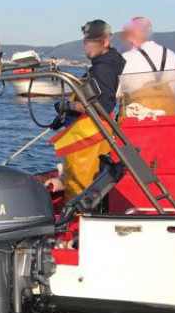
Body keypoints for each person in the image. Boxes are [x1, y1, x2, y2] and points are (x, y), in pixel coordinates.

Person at [45, 19, 126, 199]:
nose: (85, 45)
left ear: (105, 42)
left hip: (88, 143)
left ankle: (76, 222)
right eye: (84, 41)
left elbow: (102, 106)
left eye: (89, 41)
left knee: (80, 188)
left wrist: (69, 106)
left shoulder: (103, 69)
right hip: (92, 138)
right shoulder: (108, 63)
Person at [118, 16, 175, 116]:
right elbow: (174, 90)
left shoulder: (127, 58)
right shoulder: (171, 55)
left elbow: (116, 93)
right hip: (169, 118)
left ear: (135, 33)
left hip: (139, 122)